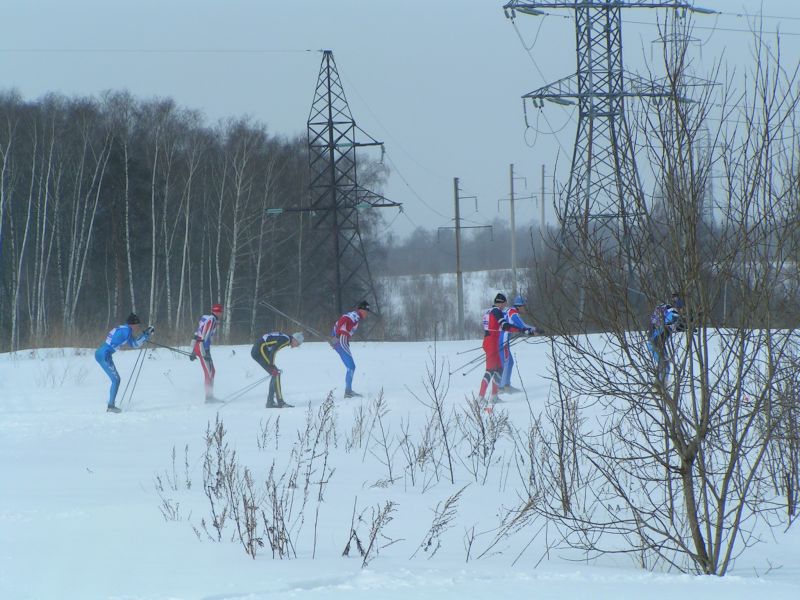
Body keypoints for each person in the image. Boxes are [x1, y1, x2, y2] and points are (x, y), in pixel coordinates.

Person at [480, 293, 534, 407]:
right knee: (490, 370)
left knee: (499, 369)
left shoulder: (488, 311)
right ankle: (480, 397)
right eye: (504, 304)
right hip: (492, 343)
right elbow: (505, 326)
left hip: (489, 341)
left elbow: (492, 326)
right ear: (501, 302)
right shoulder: (497, 311)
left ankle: (494, 396)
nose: (505, 306)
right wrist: (522, 330)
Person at [95, 313, 153, 413]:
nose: (138, 327)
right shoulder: (126, 331)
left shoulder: (124, 329)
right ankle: (111, 406)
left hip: (103, 353)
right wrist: (145, 336)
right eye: (137, 325)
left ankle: (111, 405)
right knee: (116, 380)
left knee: (116, 379)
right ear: (132, 324)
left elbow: (133, 343)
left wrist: (144, 335)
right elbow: (134, 344)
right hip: (104, 355)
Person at [499, 295, 543, 393]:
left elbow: (518, 327)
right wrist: (535, 329)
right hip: (502, 340)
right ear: (519, 306)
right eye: (524, 306)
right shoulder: (514, 314)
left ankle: (506, 386)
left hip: (504, 340)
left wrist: (532, 330)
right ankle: (500, 388)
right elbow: (522, 326)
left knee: (510, 362)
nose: (526, 308)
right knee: (505, 363)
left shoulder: (511, 311)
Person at [250, 331, 304, 408]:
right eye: (298, 344)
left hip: (259, 350)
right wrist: (272, 365)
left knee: (275, 373)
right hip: (259, 350)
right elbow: (274, 350)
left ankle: (270, 402)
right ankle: (280, 402)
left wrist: (272, 366)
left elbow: (270, 346)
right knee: (276, 373)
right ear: (295, 339)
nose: (297, 346)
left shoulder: (285, 338)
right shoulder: (286, 340)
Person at [330, 300, 370, 398]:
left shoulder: (356, 316)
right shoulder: (354, 316)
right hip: (340, 340)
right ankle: (348, 392)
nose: (367, 314)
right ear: (361, 310)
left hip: (340, 340)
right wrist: (337, 335)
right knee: (351, 366)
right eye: (366, 311)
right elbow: (343, 320)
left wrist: (335, 335)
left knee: (351, 367)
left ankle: (348, 391)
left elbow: (340, 323)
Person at [647, 294, 685, 382]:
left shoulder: (663, 310)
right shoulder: (671, 312)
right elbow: (670, 322)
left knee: (664, 365)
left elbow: (673, 326)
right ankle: (661, 386)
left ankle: (659, 384)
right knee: (665, 365)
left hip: (655, 342)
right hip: (655, 342)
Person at [190, 303, 223, 403]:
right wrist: (206, 351)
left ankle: (210, 396)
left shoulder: (207, 318)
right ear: (217, 312)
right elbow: (205, 336)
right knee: (209, 372)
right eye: (220, 312)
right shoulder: (212, 320)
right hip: (202, 347)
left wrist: (193, 350)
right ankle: (208, 398)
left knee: (212, 371)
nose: (221, 314)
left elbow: (197, 333)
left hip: (200, 346)